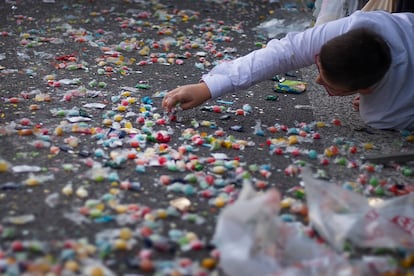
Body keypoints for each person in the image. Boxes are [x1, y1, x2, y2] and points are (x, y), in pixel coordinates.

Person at [162, 11, 414, 130]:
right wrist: (208, 87)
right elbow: (283, 53)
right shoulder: (357, 25)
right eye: (319, 67)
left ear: (365, 89)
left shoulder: (384, 114)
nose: (317, 79)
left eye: (329, 85)